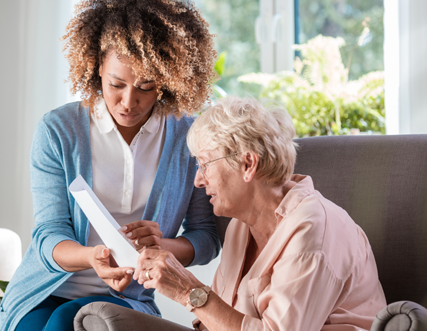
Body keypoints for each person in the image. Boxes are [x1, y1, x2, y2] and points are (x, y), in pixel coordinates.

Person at [0, 0, 221, 330]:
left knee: (63, 323)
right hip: (45, 289)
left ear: (167, 80)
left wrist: (161, 247)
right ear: (98, 66)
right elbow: (48, 234)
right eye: (116, 84)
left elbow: (206, 237)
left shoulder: (188, 137)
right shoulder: (59, 131)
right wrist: (92, 258)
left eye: (146, 86)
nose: (129, 101)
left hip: (126, 296)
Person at [134, 97, 387, 331]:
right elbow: (217, 320)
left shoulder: (314, 229)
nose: (198, 180)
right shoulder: (240, 227)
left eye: (205, 164)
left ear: (248, 164)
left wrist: (187, 290)